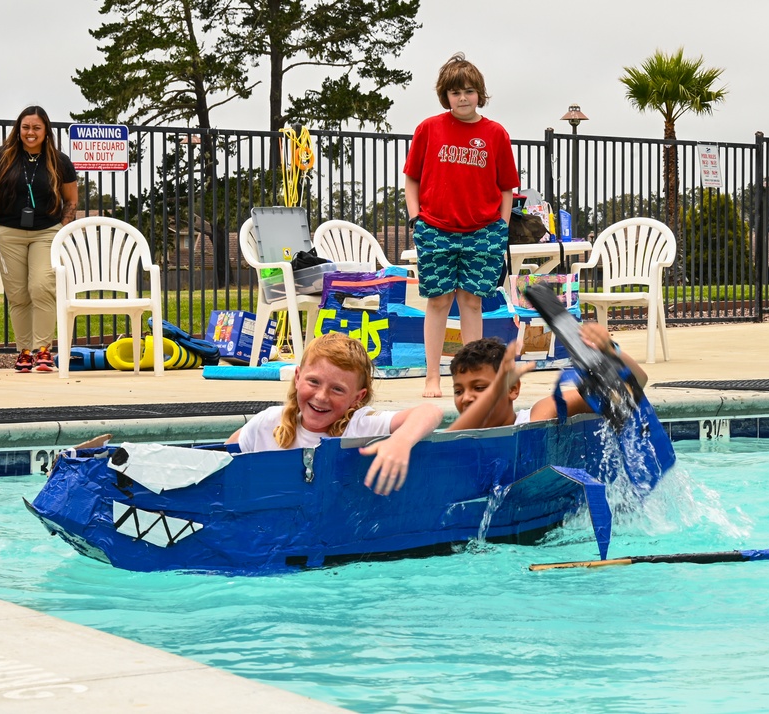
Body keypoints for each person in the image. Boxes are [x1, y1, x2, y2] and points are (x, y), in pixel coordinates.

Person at [404, 52, 519, 399]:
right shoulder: (428, 129)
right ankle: (432, 379)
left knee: (472, 302)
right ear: (446, 96)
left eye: (469, 91)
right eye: (455, 92)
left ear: (479, 94)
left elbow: (506, 187)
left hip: (484, 231)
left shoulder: (496, 134)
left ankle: (473, 379)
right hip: (435, 229)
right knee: (438, 301)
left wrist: (501, 226)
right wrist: (416, 219)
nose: (463, 98)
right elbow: (412, 179)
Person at [227, 332, 444, 496]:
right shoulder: (269, 422)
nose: (322, 396)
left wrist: (400, 442)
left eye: (337, 389)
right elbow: (225, 457)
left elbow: (430, 411)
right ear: (298, 377)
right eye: (313, 382)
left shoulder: (360, 425)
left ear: (357, 398)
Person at [0, 106, 78, 374]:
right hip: (9, 232)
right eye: (25, 127)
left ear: (46, 131)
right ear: (18, 129)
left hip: (46, 232)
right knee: (18, 295)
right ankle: (23, 353)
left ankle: (43, 351)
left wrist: (61, 226)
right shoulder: (1, 157)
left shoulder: (59, 161)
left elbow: (72, 200)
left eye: (36, 128)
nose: (30, 133)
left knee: (42, 287)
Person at [446, 326, 649, 431]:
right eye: (458, 391)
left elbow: (632, 388)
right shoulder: (456, 438)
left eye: (480, 388)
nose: (466, 398)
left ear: (513, 389)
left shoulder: (538, 417)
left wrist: (610, 350)